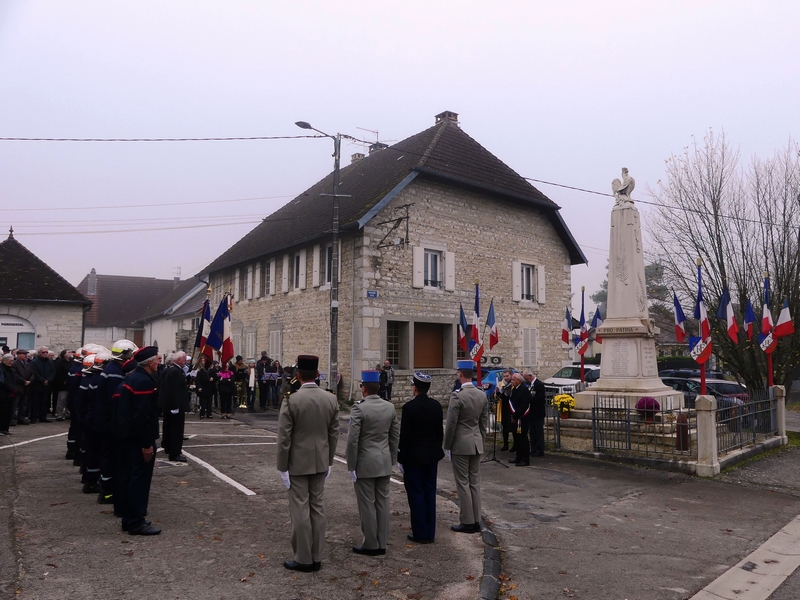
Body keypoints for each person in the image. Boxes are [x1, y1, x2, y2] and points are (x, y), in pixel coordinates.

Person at [276, 354, 339, 572]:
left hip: (298, 462)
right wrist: (329, 460)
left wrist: (282, 466)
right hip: (320, 459)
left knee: (300, 509)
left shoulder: (291, 400)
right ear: (318, 374)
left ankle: (303, 558)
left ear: (299, 375)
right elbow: (333, 433)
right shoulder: (330, 399)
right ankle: (317, 555)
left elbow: (284, 438)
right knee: (317, 507)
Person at [346, 370, 400, 556]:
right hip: (384, 460)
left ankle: (370, 543)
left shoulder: (359, 408)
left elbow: (352, 440)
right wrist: (391, 458)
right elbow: (394, 436)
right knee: (383, 503)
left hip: (365, 462)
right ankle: (382, 542)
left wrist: (351, 465)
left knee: (367, 504)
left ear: (364, 389)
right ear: (378, 387)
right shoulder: (389, 407)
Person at [115, 346, 162, 535]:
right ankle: (135, 521)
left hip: (128, 437)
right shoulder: (143, 381)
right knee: (139, 480)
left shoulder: (134, 378)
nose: (159, 362)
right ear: (149, 362)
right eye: (157, 359)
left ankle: (130, 518)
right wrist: (146, 443)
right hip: (138, 439)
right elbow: (142, 416)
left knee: (130, 477)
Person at [398, 371, 443, 544]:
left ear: (415, 388)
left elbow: (405, 436)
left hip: (414, 456)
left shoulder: (409, 408)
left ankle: (420, 532)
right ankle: (430, 531)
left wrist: (401, 457)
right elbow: (439, 432)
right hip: (431, 454)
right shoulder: (436, 406)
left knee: (416, 493)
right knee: (430, 491)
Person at [444, 360, 488, 534]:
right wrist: (481, 440)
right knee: (474, 482)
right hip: (476, 442)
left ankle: (467, 521)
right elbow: (483, 423)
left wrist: (447, 445)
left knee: (462, 483)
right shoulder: (481, 395)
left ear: (460, 374)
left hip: (461, 444)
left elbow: (451, 424)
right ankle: (476, 519)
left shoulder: (458, 396)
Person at [161, 351, 190, 462]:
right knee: (176, 430)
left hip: (172, 405)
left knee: (169, 427)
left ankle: (169, 447)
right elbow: (173, 390)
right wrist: (175, 406)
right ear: (178, 360)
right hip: (175, 406)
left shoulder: (174, 370)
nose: (185, 361)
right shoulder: (175, 372)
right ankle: (175, 453)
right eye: (184, 359)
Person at [508, 373, 532, 466]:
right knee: (517, 439)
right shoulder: (515, 389)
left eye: (513, 379)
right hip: (515, 418)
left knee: (523, 439)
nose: (512, 381)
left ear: (519, 380)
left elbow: (524, 405)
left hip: (522, 419)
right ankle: (518, 457)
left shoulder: (524, 390)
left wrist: (516, 415)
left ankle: (525, 459)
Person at [30, 346, 55, 423]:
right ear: (39, 353)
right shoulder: (34, 362)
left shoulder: (50, 362)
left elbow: (53, 372)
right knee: (35, 401)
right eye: (43, 352)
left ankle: (43, 416)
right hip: (37, 385)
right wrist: (43, 380)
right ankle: (33, 417)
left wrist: (48, 380)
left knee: (44, 401)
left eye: (46, 352)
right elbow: (35, 373)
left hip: (46, 385)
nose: (45, 353)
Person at [526, 370, 547, 457]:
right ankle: (533, 448)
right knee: (532, 432)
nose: (526, 380)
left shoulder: (539, 384)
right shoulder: (531, 384)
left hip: (538, 412)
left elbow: (541, 398)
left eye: (526, 378)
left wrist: (530, 398)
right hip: (532, 412)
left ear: (530, 376)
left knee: (538, 432)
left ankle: (539, 449)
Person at [11, 349, 33, 425]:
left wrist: (30, 381)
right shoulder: (14, 364)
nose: (25, 356)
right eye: (24, 354)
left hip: (26, 387)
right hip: (18, 386)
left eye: (26, 354)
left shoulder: (28, 364)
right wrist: (24, 381)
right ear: (18, 355)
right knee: (15, 404)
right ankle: (12, 418)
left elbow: (32, 373)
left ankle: (21, 418)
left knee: (24, 404)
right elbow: (15, 375)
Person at [495, 369, 514, 451]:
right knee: (505, 427)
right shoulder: (501, 384)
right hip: (503, 407)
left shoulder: (513, 384)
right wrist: (497, 392)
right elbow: (496, 396)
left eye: (507, 376)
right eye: (504, 376)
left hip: (511, 407)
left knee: (512, 427)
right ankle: (505, 444)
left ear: (511, 375)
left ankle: (515, 445)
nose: (506, 378)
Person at [53, 349, 72, 420]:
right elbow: (57, 372)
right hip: (62, 385)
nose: (70, 353)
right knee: (62, 399)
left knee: (69, 399)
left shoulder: (71, 362)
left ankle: (67, 413)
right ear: (64, 354)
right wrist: (63, 381)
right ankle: (59, 414)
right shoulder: (59, 362)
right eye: (69, 352)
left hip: (70, 384)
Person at [0, 354, 16, 434]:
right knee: (2, 411)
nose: (12, 362)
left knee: (9, 411)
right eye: (10, 361)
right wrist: (11, 388)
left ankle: (5, 428)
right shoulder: (1, 369)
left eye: (12, 361)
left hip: (10, 394)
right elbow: (2, 381)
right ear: (5, 361)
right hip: (3, 393)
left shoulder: (11, 369)